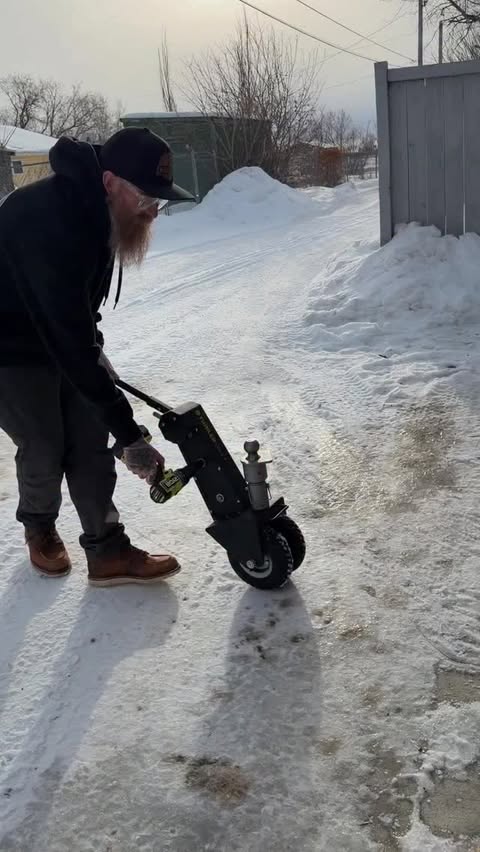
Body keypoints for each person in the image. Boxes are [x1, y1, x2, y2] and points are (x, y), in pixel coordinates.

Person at [0, 127, 194, 586]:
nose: (152, 211)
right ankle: (40, 528)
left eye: (159, 200)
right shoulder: (51, 220)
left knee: (90, 440)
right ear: (110, 182)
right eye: (146, 197)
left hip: (59, 332)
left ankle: (108, 551)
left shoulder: (99, 211)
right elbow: (66, 340)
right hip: (8, 347)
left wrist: (96, 354)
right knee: (45, 445)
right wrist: (130, 434)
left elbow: (76, 320)